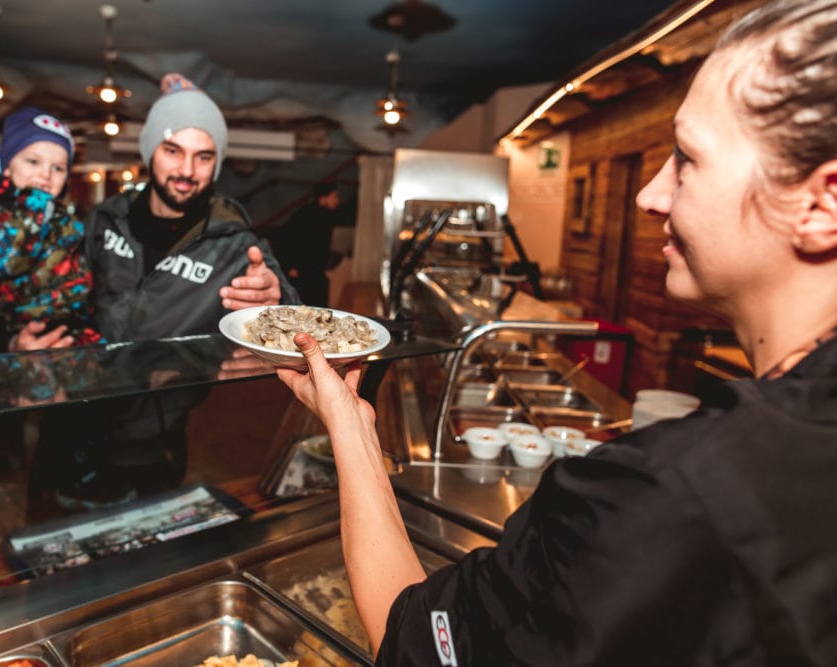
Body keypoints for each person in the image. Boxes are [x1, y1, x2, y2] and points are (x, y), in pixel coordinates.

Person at [277, 0, 837, 663]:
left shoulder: (663, 496)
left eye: (686, 158)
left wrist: (348, 426)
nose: (649, 195)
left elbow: (413, 639)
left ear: (821, 204)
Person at [14, 73, 298, 350]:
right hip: (98, 389)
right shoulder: (106, 220)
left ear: (216, 165)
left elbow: (294, 317)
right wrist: (21, 340)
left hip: (185, 395)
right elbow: (55, 294)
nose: (186, 170)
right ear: (150, 152)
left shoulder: (236, 245)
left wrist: (276, 297)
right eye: (172, 151)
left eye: (203, 157)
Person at [0, 107, 103, 352]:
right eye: (33, 161)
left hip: (72, 335)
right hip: (22, 339)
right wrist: (35, 204)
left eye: (58, 168)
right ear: (7, 167)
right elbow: (7, 259)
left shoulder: (58, 217)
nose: (45, 174)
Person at [270, 182, 343, 306]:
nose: (337, 201)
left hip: (314, 271)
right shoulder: (305, 215)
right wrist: (291, 266)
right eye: (334, 197)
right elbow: (286, 238)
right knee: (305, 307)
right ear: (323, 198)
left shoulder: (326, 216)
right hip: (303, 272)